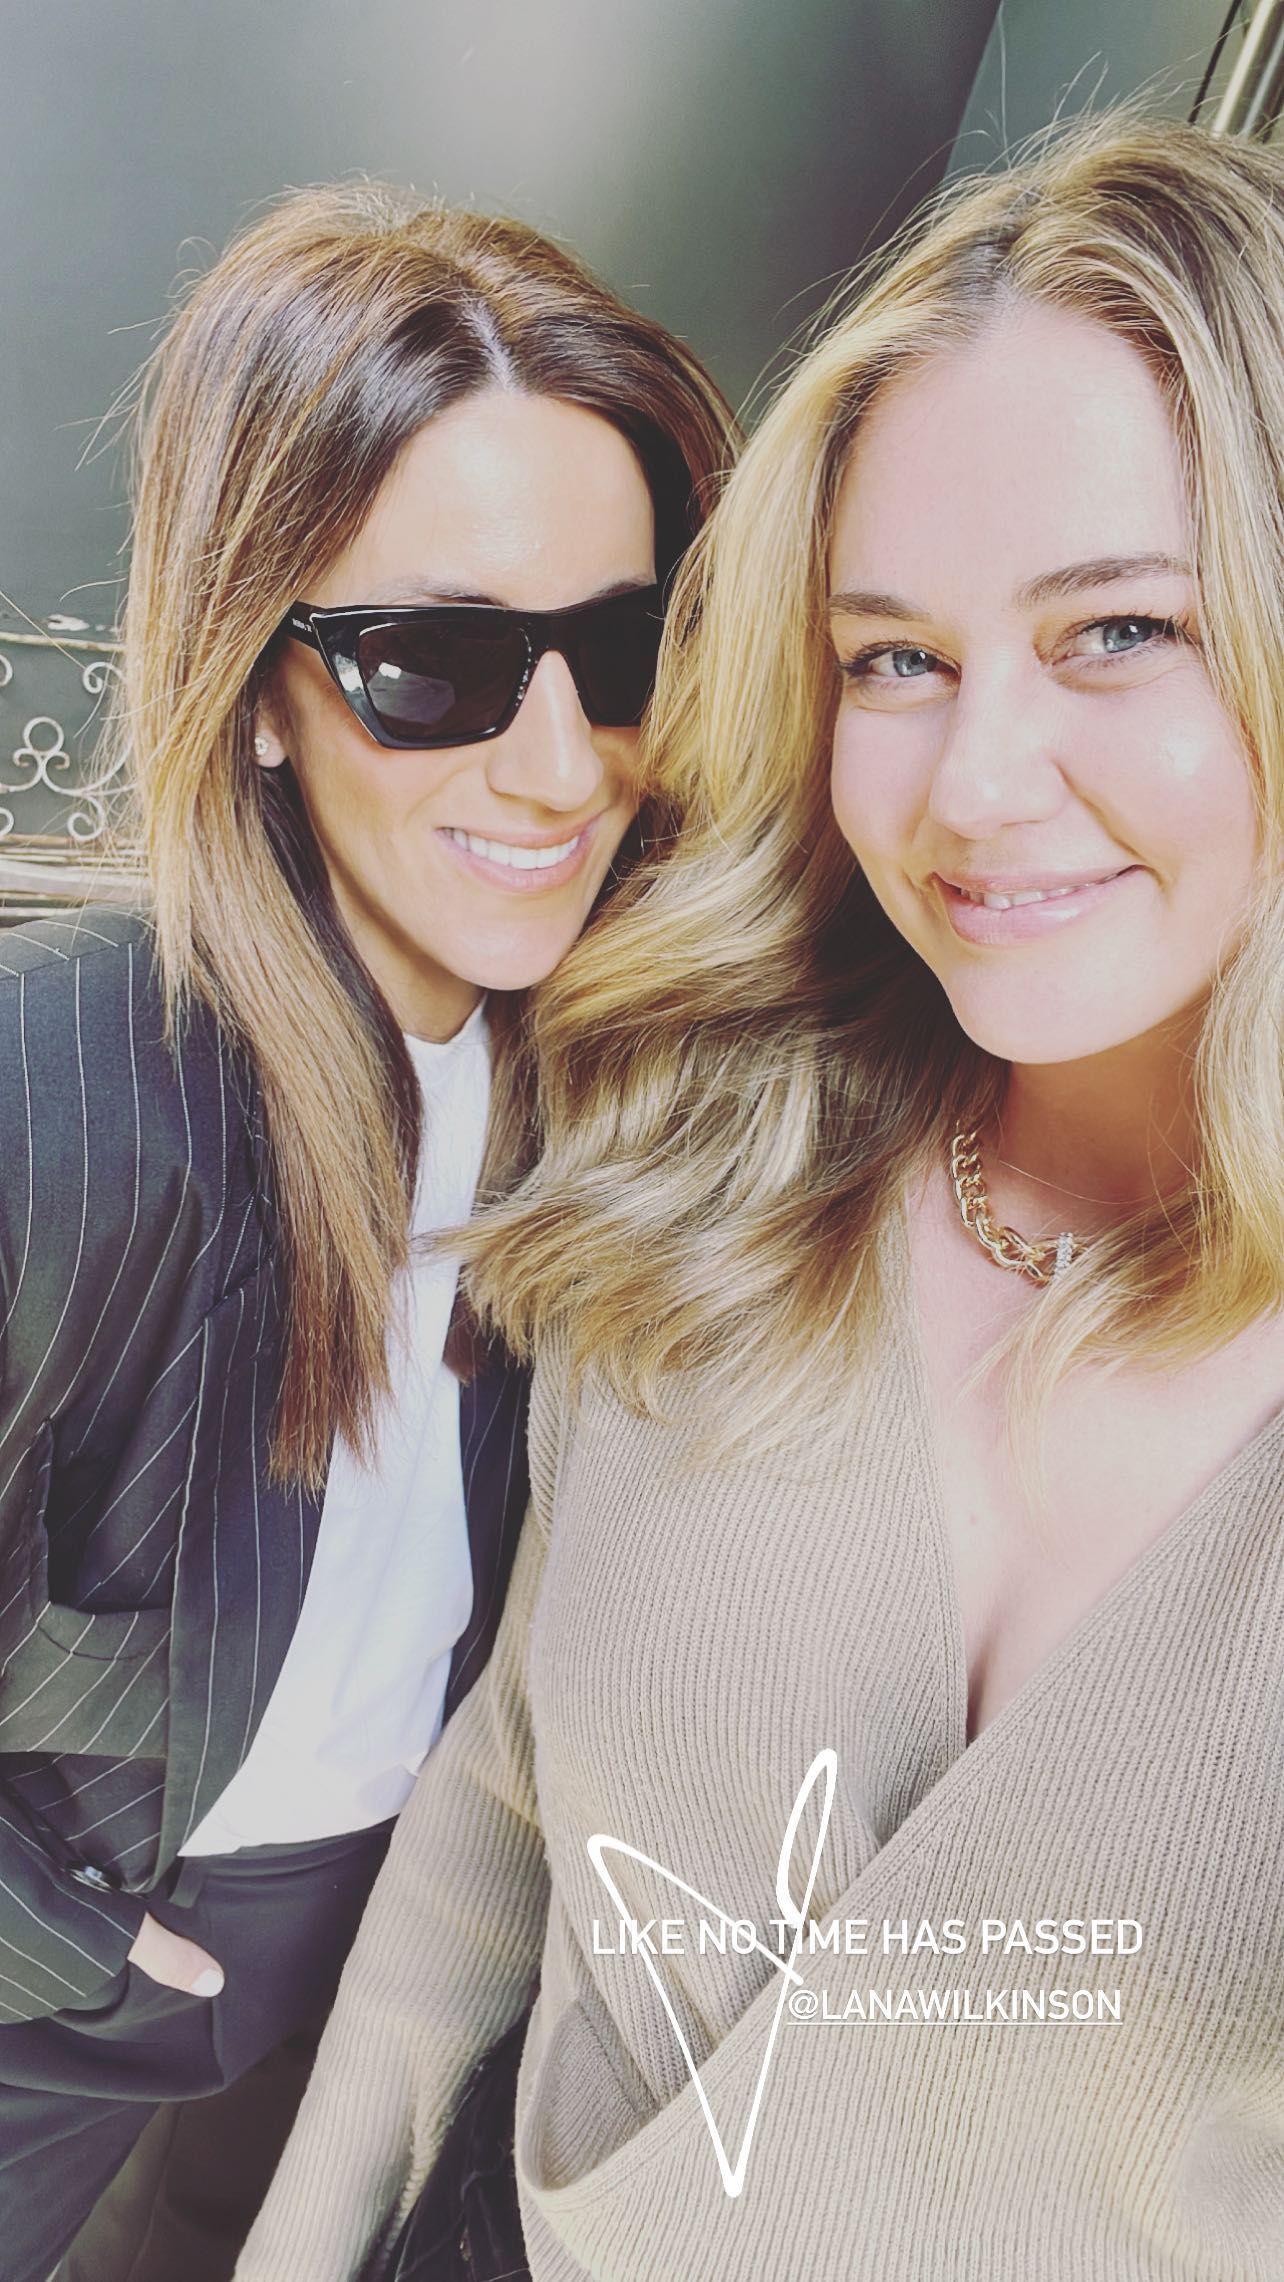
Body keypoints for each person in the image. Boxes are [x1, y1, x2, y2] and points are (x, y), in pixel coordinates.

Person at [236, 114, 1284, 2282]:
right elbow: (507, 1799)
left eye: (1118, 630)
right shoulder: (710, 1167)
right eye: (893, 657)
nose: (975, 785)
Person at [0, 181, 732, 2282]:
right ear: (257, 687)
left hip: (393, 1965)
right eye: (433, 663)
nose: (563, 766)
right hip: (80, 1961)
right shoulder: (65, 1080)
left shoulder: (627, 1079)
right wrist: (74, 1941)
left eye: (621, 652)